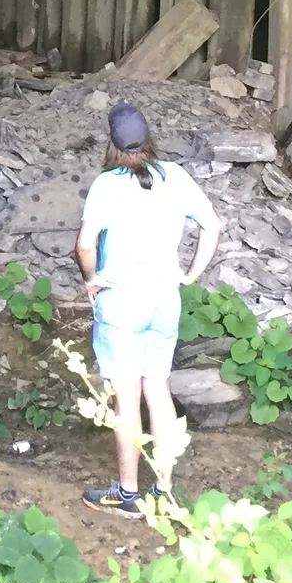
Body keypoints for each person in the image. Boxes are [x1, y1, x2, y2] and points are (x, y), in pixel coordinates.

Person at [75, 102, 221, 515]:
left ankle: (127, 494)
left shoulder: (107, 184)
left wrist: (92, 279)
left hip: (122, 301)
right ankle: (165, 490)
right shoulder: (174, 175)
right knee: (157, 388)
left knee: (126, 396)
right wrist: (190, 275)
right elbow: (213, 226)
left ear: (113, 143)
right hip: (164, 300)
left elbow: (85, 245)